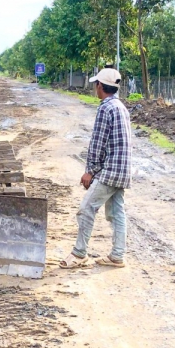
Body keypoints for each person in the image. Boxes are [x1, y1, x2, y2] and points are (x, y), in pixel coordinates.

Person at [60, 68, 132, 269]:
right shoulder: (120, 107)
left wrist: (90, 171)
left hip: (110, 171)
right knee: (116, 213)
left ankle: (79, 253)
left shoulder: (105, 108)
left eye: (96, 84)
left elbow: (98, 143)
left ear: (100, 86)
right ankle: (117, 255)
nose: (95, 88)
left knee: (86, 209)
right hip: (123, 170)